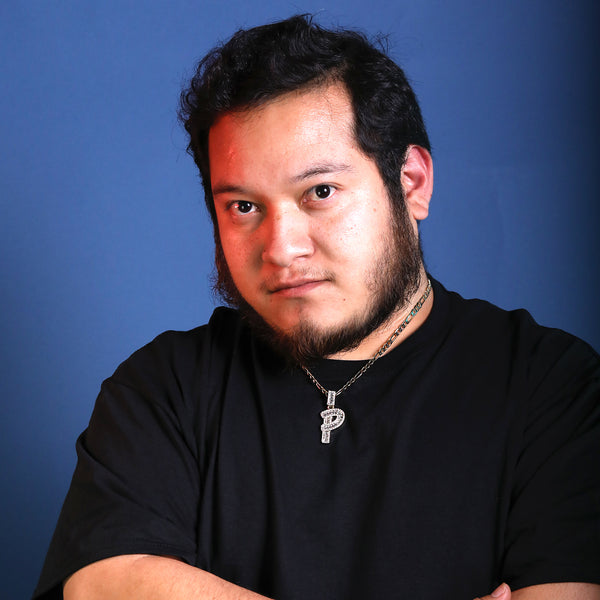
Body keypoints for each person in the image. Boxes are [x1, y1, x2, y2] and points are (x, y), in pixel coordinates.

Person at [33, 15, 599, 600]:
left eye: (320, 192)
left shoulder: (548, 385)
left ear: (411, 183)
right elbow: (102, 583)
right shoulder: (163, 389)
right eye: (244, 207)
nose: (281, 248)